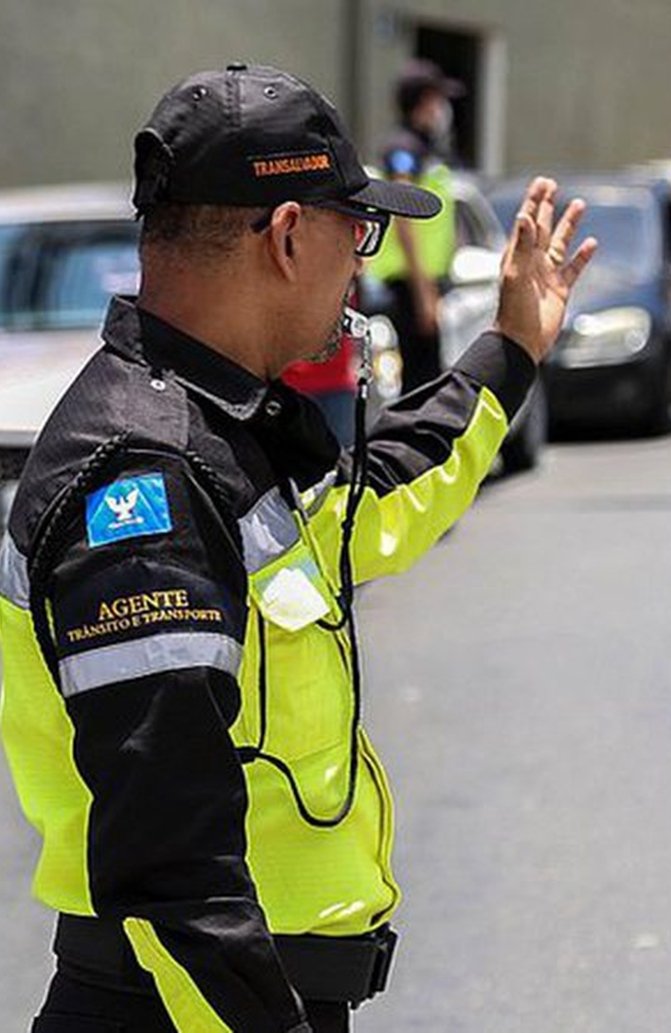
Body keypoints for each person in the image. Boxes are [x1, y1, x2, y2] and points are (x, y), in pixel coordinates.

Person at [0, 62, 595, 1032]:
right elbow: (175, 875)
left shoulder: (215, 430)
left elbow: (383, 499)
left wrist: (512, 348)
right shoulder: (143, 478)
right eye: (353, 231)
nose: (361, 264)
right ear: (285, 236)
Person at [370, 59, 464, 391]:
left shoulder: (424, 148)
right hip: (408, 285)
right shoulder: (403, 148)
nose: (443, 108)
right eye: (439, 99)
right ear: (424, 101)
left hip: (422, 282)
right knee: (419, 384)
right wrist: (423, 292)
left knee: (429, 376)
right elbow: (403, 217)